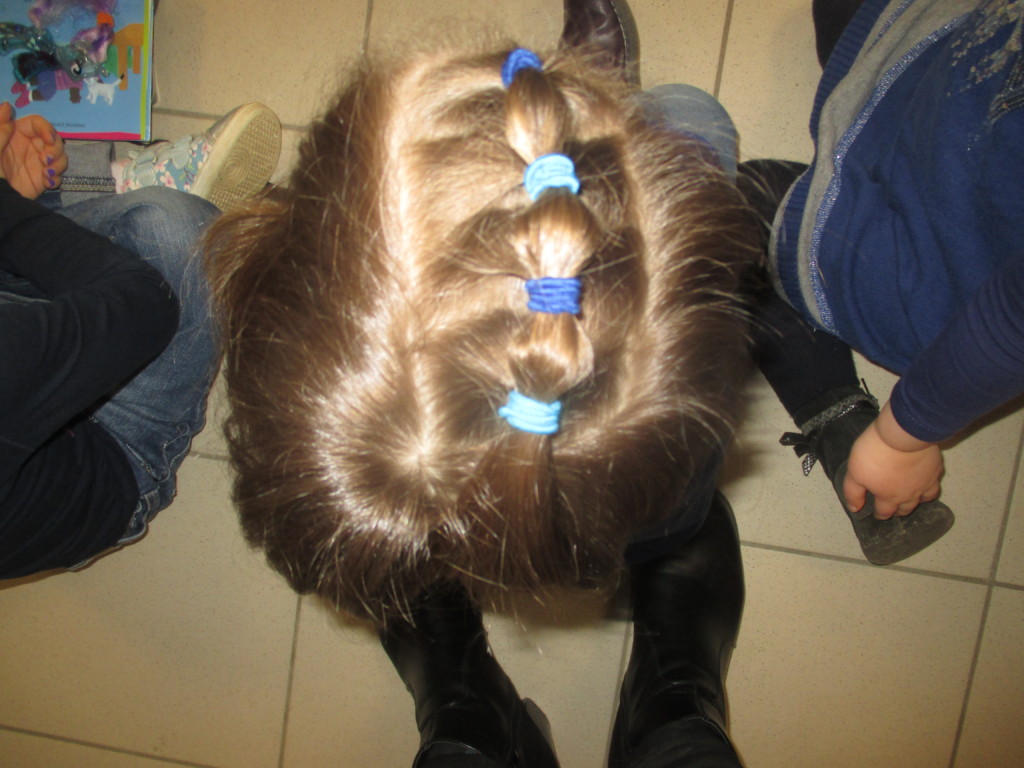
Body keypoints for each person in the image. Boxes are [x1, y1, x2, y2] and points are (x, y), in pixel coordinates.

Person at [203, 2, 759, 765]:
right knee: (696, 117)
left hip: (565, 506)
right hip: (636, 494)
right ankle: (600, 120)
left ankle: (466, 712)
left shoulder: (404, 487)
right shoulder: (668, 400)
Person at [738, 0, 1023, 565]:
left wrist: (904, 436)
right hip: (954, 86)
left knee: (734, 217)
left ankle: (841, 425)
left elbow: (1013, 322)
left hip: (946, 271)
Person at [0, 102, 280, 580]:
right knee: (175, 230)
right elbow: (144, 309)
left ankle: (103, 183)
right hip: (104, 440)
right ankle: (120, 183)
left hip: (33, 356)